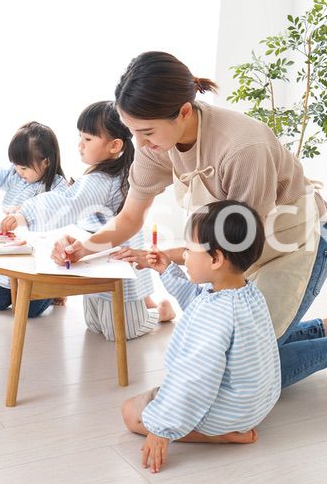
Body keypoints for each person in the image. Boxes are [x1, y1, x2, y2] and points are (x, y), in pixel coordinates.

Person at [52, 51, 327, 391]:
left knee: (243, 375)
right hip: (236, 248)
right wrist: (83, 248)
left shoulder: (242, 147)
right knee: (225, 352)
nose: (141, 144)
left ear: (183, 112)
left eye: (146, 132)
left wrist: (172, 257)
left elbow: (240, 243)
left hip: (294, 243)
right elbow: (130, 217)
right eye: (132, 131)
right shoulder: (154, 147)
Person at [122, 201, 280, 473]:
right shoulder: (247, 293)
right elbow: (196, 299)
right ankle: (230, 428)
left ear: (216, 259)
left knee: (129, 413)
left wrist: (162, 428)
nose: (183, 256)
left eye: (188, 250)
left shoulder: (216, 315)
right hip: (255, 404)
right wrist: (167, 269)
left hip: (226, 412)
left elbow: (195, 378)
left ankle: (222, 436)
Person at [0, 101, 174, 339]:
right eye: (80, 137)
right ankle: (145, 306)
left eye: (88, 139)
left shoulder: (105, 179)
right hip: (99, 253)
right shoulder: (104, 173)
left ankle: (161, 312)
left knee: (120, 331)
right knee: (95, 324)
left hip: (115, 255)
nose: (80, 145)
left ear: (115, 145)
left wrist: (25, 214)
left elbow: (68, 203)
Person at [0, 121, 67, 318]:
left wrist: (24, 212)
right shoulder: (16, 176)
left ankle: (56, 289)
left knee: (29, 311)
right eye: (15, 165)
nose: (18, 171)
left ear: (46, 162)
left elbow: (55, 208)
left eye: (23, 167)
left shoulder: (57, 186)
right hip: (13, 253)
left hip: (39, 260)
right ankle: (18, 290)